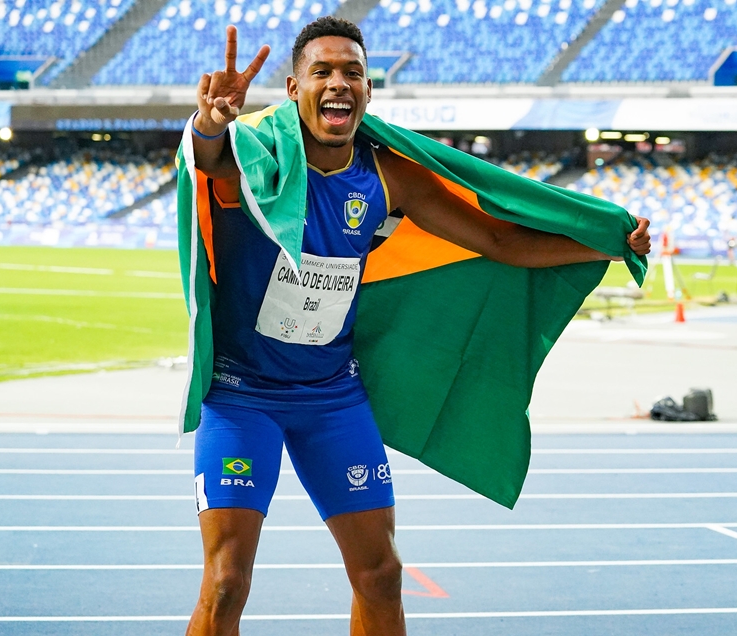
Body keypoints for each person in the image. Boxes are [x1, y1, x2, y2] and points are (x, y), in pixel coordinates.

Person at [185, 19, 652, 636]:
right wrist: (211, 123)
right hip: (242, 396)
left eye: (352, 72)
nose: (338, 83)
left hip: (332, 396)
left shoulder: (386, 176)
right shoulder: (256, 151)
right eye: (322, 71)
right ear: (294, 87)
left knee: (380, 576)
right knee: (227, 581)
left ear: (369, 91)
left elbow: (495, 238)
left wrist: (604, 246)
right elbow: (210, 158)